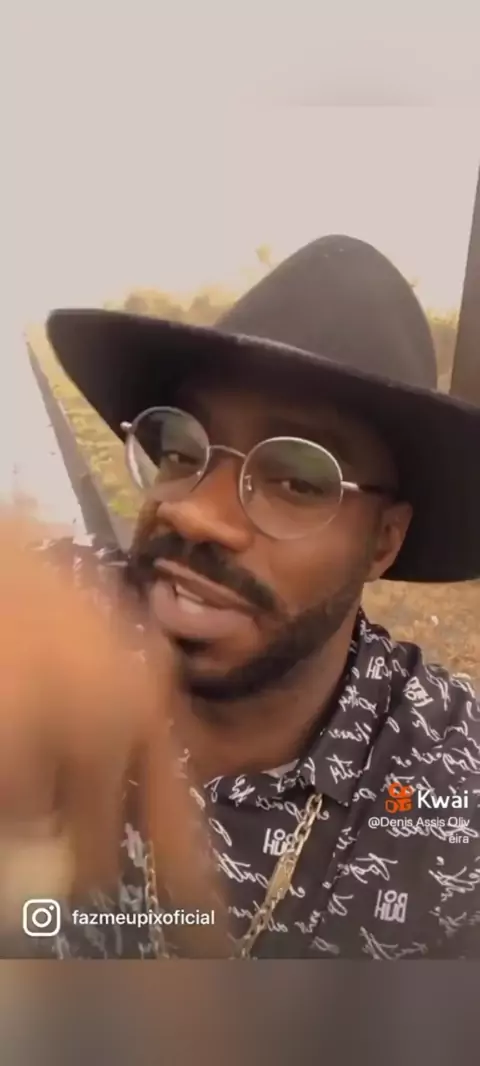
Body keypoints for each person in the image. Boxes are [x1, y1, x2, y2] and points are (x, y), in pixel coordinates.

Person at [2, 234, 480, 961]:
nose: (194, 512)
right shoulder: (50, 632)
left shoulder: (449, 789)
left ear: (383, 540)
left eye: (297, 479)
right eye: (180, 448)